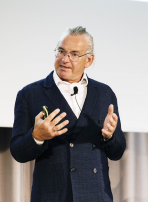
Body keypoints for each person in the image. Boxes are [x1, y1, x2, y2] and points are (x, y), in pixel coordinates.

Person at [10, 26, 126, 202]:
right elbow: (18, 152)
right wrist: (36, 136)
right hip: (52, 195)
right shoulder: (30, 93)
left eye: (74, 54)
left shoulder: (104, 93)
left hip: (95, 194)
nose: (65, 59)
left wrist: (109, 136)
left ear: (89, 60)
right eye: (61, 51)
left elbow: (117, 152)